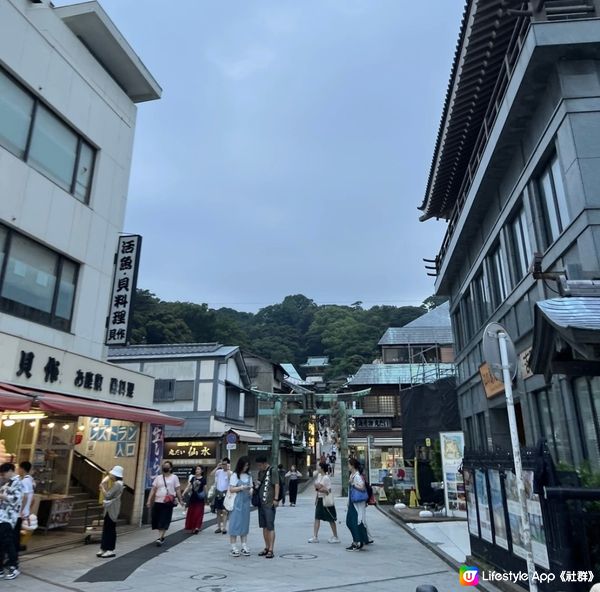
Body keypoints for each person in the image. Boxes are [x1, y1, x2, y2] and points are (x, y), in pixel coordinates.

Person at [146, 460, 183, 546]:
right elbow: (153, 489)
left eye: (167, 466)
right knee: (157, 519)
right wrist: (149, 500)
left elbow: (177, 489)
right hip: (158, 501)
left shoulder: (174, 477)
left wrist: (180, 499)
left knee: (164, 519)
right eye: (164, 466)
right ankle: (161, 536)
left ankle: (160, 537)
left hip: (167, 502)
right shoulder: (158, 477)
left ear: (170, 468)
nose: (165, 467)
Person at [0, 463, 23, 580]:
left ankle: (14, 567)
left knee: (8, 543)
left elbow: (16, 499)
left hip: (8, 518)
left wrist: (3, 497)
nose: (3, 476)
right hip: (2, 516)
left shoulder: (18, 482)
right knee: (2, 543)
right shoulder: (8, 482)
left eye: (4, 474)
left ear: (10, 471)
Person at [255, 454, 279, 559]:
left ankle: (271, 549)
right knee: (264, 526)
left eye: (260, 465)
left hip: (269, 502)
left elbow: (276, 484)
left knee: (270, 526)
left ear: (265, 463)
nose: (259, 467)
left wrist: (276, 499)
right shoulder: (261, 472)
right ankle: (266, 546)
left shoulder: (272, 471)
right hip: (261, 502)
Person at [308, 462, 339, 544]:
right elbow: (317, 486)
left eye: (319, 466)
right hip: (319, 498)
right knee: (317, 517)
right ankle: (315, 536)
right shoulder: (319, 476)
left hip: (326, 500)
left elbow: (328, 490)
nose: (317, 468)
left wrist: (320, 488)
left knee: (331, 518)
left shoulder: (326, 478)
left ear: (322, 468)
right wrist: (318, 490)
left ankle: (335, 536)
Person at [96, 466, 124, 558]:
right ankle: (104, 548)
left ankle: (110, 549)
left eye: (112, 474)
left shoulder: (117, 484)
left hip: (112, 509)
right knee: (108, 528)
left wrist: (102, 488)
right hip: (111, 508)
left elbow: (108, 496)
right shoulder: (118, 483)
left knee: (109, 529)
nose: (110, 475)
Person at [227, 456, 252, 556]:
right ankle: (233, 546)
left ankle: (244, 545)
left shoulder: (249, 476)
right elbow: (231, 489)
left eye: (247, 465)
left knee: (244, 523)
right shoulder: (234, 475)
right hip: (236, 502)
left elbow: (251, 487)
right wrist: (242, 487)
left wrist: (251, 490)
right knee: (234, 523)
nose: (246, 467)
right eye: (245, 465)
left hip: (246, 502)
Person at [346, 458, 369, 551]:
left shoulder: (357, 476)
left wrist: (353, 484)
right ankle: (359, 541)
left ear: (352, 466)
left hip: (357, 503)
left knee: (353, 522)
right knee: (351, 522)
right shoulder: (352, 475)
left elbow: (363, 488)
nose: (347, 466)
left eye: (348, 464)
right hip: (353, 501)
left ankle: (357, 542)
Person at [14, 461, 34, 561]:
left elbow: (25, 496)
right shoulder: (30, 480)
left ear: (22, 469)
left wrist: (21, 510)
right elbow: (31, 497)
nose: (18, 470)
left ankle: (14, 556)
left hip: (19, 513)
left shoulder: (24, 481)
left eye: (19, 468)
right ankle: (15, 554)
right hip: (24, 511)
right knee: (17, 533)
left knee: (15, 534)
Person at [184, 465, 206, 534]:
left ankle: (197, 527)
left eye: (199, 469)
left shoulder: (203, 479)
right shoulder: (193, 478)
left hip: (200, 499)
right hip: (193, 498)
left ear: (202, 471)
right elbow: (188, 487)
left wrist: (206, 496)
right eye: (196, 469)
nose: (197, 471)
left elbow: (205, 489)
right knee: (192, 513)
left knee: (198, 513)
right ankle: (192, 527)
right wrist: (183, 493)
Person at [211, 458, 231, 534]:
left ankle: (224, 528)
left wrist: (228, 469)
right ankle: (219, 527)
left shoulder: (230, 472)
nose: (224, 466)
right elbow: (211, 474)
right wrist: (217, 467)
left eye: (225, 464)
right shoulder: (219, 472)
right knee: (218, 511)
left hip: (226, 493)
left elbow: (230, 478)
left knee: (225, 511)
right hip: (218, 493)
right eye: (223, 464)